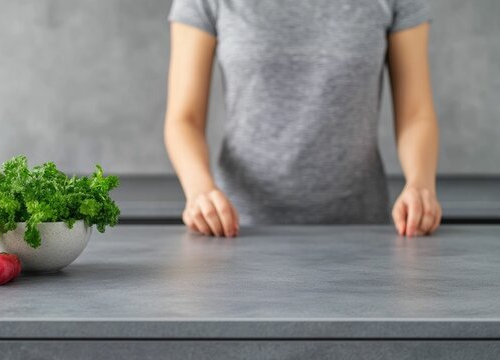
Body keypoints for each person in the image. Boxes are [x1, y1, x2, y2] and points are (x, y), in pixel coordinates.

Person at [164, 0, 441, 238]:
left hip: (362, 232)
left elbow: (416, 113)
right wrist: (199, 190)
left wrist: (420, 184)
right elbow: (184, 119)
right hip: (237, 230)